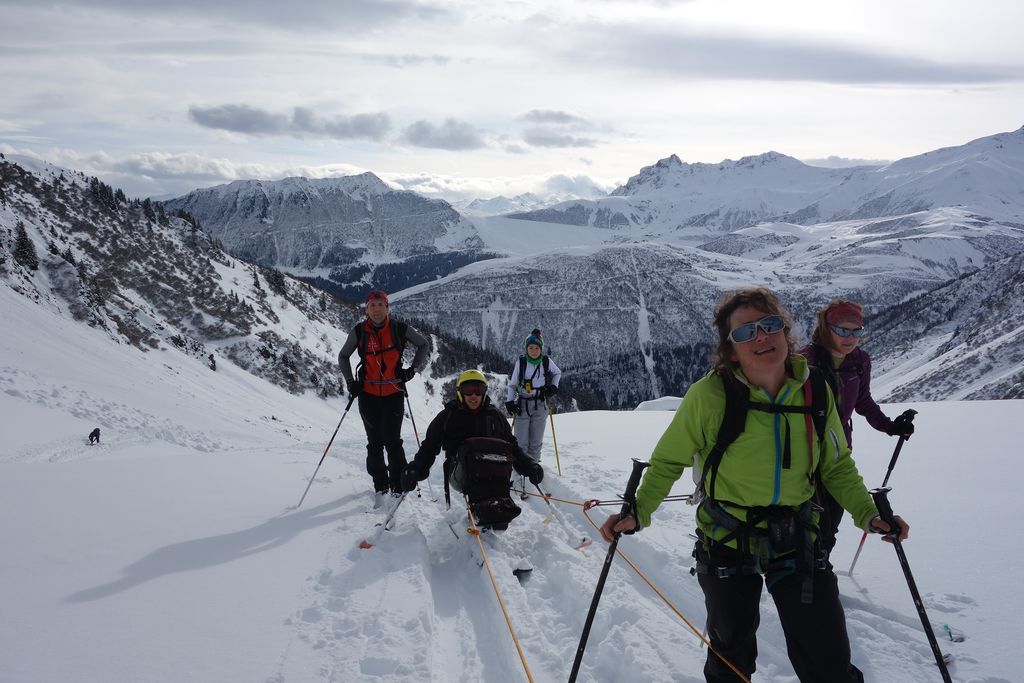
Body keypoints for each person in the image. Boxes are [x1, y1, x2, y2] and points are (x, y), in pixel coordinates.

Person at [600, 287, 909, 683]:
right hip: (727, 538)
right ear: (730, 350)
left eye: (770, 325)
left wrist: (868, 514)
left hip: (797, 535)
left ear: (786, 332)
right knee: (731, 658)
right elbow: (668, 461)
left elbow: (836, 466)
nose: (761, 336)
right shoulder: (710, 396)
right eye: (746, 332)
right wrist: (638, 511)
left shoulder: (816, 389)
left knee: (828, 662)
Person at [799, 299, 915, 552]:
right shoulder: (805, 360)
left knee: (831, 520)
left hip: (839, 448)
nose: (850, 338)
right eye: (842, 330)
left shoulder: (860, 361)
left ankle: (822, 563)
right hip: (804, 451)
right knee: (806, 521)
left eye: (856, 331)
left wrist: (890, 426)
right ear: (826, 328)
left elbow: (863, 401)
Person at [401, 369, 543, 530]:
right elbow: (429, 447)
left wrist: (529, 466)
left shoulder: (495, 416)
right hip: (460, 472)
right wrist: (416, 468)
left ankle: (498, 506)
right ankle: (482, 508)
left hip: (492, 469)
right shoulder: (448, 416)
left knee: (500, 452)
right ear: (460, 392)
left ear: (484, 392)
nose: (474, 395)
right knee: (473, 456)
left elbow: (512, 447)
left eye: (479, 390)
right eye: (468, 390)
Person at [338, 290, 428, 501]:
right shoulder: (360, 331)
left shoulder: (399, 329)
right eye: (372, 305)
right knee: (374, 442)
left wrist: (413, 369)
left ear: (387, 308)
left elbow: (423, 344)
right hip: (367, 395)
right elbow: (343, 356)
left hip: (393, 394)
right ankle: (380, 484)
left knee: (392, 441)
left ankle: (398, 485)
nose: (377, 310)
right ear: (366, 310)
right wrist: (351, 382)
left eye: (381, 305)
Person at [505, 329, 561, 463]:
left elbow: (557, 373)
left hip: (540, 403)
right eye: (530, 348)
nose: (534, 351)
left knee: (536, 442)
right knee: (520, 443)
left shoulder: (546, 361)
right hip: (522, 404)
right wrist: (510, 402)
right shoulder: (521, 362)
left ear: (541, 349)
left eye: (537, 348)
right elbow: (513, 384)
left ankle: (533, 467)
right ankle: (520, 468)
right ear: (526, 349)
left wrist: (553, 387)